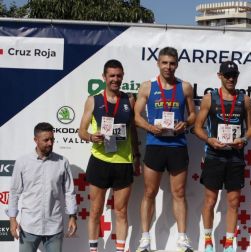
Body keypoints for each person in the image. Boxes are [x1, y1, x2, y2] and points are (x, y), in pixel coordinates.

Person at [134, 46, 196, 252]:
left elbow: (193, 115)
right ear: (158, 64)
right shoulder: (147, 87)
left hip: (177, 145)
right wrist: (149, 127)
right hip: (155, 145)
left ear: (177, 64)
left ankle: (182, 239)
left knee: (179, 192)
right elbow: (136, 116)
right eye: (164, 63)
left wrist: (185, 124)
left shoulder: (185, 87)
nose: (168, 67)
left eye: (172, 63)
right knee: (149, 192)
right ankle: (145, 239)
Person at [78, 59, 141, 252]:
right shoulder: (94, 100)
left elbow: (132, 130)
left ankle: (120, 250)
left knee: (121, 211)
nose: (115, 79)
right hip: (100, 161)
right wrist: (90, 136)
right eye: (112, 76)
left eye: (119, 76)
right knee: (96, 211)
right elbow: (81, 130)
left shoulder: (129, 99)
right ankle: (93, 250)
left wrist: (137, 156)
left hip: (123, 162)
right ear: (104, 77)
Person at [194, 61, 251, 252]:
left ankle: (229, 243)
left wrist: (243, 139)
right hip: (214, 155)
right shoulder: (210, 98)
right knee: (210, 201)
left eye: (234, 75)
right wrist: (210, 140)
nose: (230, 79)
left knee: (234, 202)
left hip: (235, 156)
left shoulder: (245, 100)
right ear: (219, 76)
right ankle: (208, 240)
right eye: (227, 75)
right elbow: (197, 127)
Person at [7, 122, 77, 252]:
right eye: (46, 140)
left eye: (52, 139)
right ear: (36, 140)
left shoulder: (62, 162)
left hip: (54, 227)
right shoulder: (23, 162)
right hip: (29, 227)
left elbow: (69, 191)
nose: (50, 143)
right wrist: (12, 219)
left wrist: (72, 216)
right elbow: (15, 192)